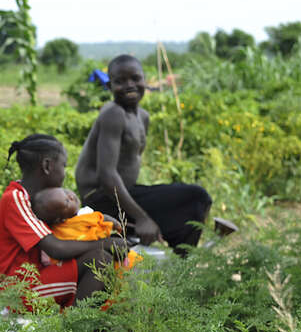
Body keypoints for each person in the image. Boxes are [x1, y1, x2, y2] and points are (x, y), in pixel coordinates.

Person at [74, 54, 213, 256]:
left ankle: (181, 261)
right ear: (109, 86)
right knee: (197, 197)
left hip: (124, 193)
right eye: (119, 81)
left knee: (193, 200)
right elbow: (107, 176)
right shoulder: (113, 113)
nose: (129, 85)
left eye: (135, 78)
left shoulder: (143, 116)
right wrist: (142, 217)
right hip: (100, 199)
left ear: (145, 81)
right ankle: (183, 264)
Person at [0, 134, 127, 311]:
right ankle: (76, 326)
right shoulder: (16, 198)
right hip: (22, 291)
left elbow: (73, 225)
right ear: (47, 166)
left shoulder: (41, 200)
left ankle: (95, 317)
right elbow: (56, 248)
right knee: (100, 259)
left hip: (42, 275)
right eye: (64, 166)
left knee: (105, 258)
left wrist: (101, 220)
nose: (65, 172)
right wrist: (105, 243)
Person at [30, 187, 141, 269]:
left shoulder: (59, 229)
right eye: (67, 202)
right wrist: (114, 223)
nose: (71, 196)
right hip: (104, 254)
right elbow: (101, 219)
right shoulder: (79, 220)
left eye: (65, 192)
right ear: (60, 219)